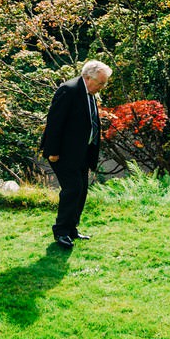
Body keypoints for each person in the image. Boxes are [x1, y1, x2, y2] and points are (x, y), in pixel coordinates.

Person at [40, 59, 111, 250]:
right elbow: (55, 122)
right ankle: (61, 232)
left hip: (81, 153)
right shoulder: (68, 90)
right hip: (63, 153)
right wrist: (53, 151)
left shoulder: (89, 93)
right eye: (100, 83)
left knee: (81, 191)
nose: (102, 87)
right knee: (72, 190)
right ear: (88, 78)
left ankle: (71, 229)